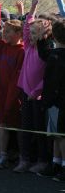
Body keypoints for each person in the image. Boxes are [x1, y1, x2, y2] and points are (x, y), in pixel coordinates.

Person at [0, 2, 24, 169]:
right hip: (0, 94)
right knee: (3, 124)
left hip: (14, 97)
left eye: (8, 31)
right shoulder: (2, 47)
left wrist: (10, 100)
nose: (4, 33)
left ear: (18, 33)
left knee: (17, 127)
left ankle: (22, 157)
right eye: (4, 30)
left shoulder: (22, 51)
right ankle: (3, 155)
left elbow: (16, 79)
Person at [14, 0, 48, 173]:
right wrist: (33, 8)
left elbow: (46, 77)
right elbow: (26, 27)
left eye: (37, 33)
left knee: (39, 128)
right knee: (25, 128)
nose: (32, 35)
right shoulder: (28, 46)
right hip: (24, 92)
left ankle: (42, 161)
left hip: (37, 95)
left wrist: (35, 92)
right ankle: (24, 159)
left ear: (44, 34)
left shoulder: (44, 52)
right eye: (31, 33)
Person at [40, 19, 65, 181]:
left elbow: (51, 81)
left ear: (54, 37)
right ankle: (56, 163)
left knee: (61, 135)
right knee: (56, 134)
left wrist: (47, 100)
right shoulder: (54, 54)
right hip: (57, 101)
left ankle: (63, 165)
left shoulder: (55, 56)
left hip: (58, 101)